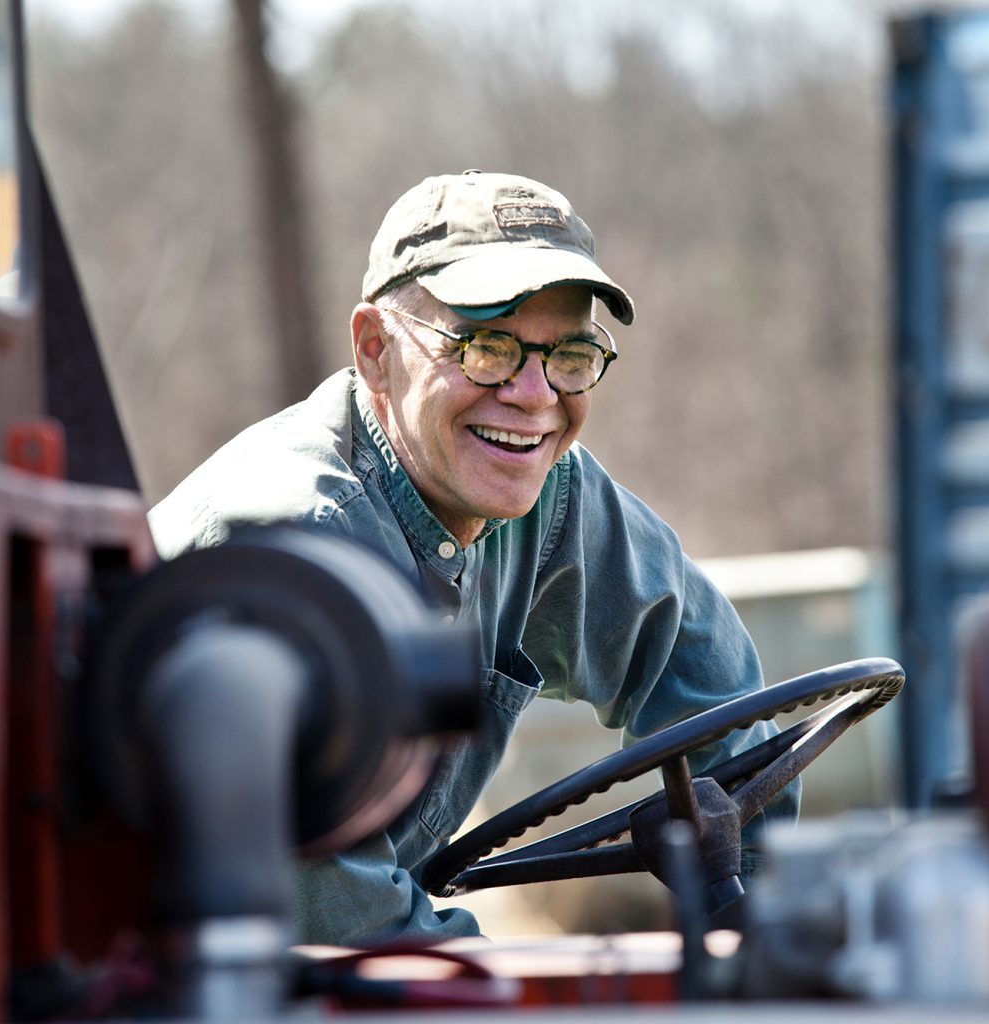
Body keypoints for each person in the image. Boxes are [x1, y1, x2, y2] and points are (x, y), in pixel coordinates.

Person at [149, 170, 797, 945]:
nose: (533, 395)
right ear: (374, 349)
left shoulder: (543, 494)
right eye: (486, 348)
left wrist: (758, 918)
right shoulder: (300, 551)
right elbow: (333, 909)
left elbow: (708, 678)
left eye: (570, 355)